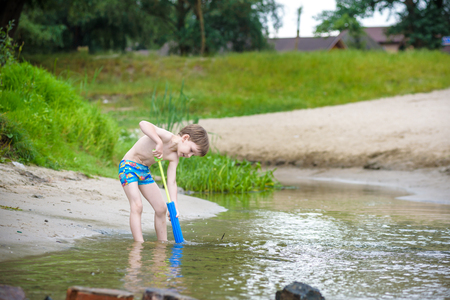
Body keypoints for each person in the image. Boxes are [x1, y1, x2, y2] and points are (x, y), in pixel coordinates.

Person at [119, 121, 209, 242]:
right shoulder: (166, 137)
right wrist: (158, 142)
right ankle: (138, 245)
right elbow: (143, 124)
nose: (189, 156)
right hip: (128, 166)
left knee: (161, 208)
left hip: (144, 172)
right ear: (185, 138)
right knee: (137, 205)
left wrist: (175, 205)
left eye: (193, 155)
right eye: (191, 150)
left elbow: (171, 182)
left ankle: (162, 244)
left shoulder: (174, 157)